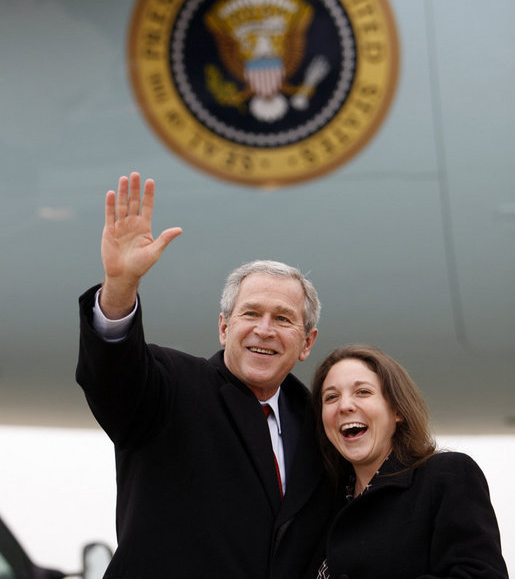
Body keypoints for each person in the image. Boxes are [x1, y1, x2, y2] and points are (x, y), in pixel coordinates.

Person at [76, 172, 332, 579]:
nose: (264, 329)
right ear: (224, 328)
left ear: (306, 343)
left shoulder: (319, 424)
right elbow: (113, 376)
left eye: (283, 319)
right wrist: (120, 285)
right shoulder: (172, 387)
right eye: (250, 313)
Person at [311, 345, 508, 579]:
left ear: (397, 410)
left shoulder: (447, 476)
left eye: (363, 392)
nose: (345, 406)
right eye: (331, 397)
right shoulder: (321, 502)